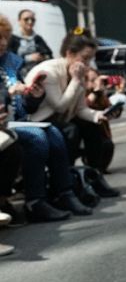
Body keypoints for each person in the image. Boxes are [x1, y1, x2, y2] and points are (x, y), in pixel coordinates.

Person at [0, 15, 91, 221]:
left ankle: (63, 193)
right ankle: (35, 202)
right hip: (5, 125)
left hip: (12, 122)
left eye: (5, 37)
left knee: (53, 133)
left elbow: (24, 108)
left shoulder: (10, 64)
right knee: (37, 138)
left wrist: (34, 95)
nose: (4, 42)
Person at [26, 33, 120, 198]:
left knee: (92, 126)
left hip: (60, 119)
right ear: (69, 53)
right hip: (40, 121)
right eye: (84, 58)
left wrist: (99, 115)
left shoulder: (79, 73)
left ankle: (94, 176)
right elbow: (60, 106)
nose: (87, 64)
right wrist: (76, 80)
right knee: (71, 130)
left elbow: (80, 109)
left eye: (90, 59)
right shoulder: (50, 72)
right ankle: (64, 183)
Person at [10, 9, 54, 78]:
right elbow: (9, 59)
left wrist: (43, 58)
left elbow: (50, 56)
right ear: (19, 21)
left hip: (37, 77)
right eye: (26, 19)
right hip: (18, 77)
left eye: (33, 19)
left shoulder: (38, 38)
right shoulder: (13, 38)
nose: (30, 22)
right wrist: (29, 58)